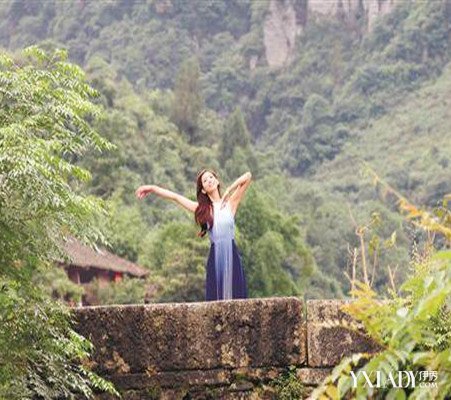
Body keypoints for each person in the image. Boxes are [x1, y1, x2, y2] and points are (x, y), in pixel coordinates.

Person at [135, 170, 252, 301]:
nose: (209, 180)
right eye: (205, 180)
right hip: (215, 255)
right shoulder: (202, 210)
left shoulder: (230, 203)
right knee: (215, 301)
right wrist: (152, 188)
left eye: (211, 177)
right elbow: (175, 197)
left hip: (232, 254)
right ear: (203, 190)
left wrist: (228, 190)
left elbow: (247, 176)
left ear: (217, 181)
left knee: (238, 297)